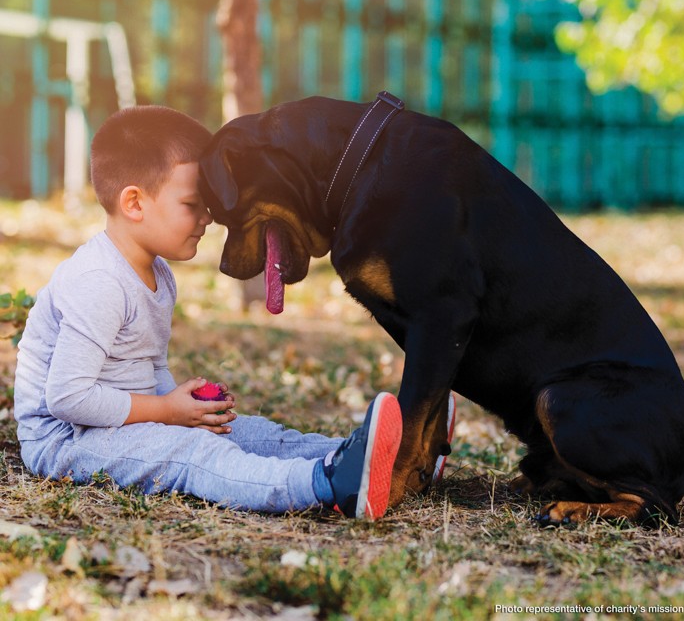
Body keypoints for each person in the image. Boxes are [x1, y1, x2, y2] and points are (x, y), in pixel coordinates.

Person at [13, 105, 403, 519]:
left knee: (246, 432)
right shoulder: (99, 281)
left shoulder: (157, 273)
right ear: (134, 203)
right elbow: (68, 398)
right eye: (192, 204)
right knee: (195, 452)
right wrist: (167, 412)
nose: (209, 218)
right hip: (66, 440)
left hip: (114, 423)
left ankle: (387, 458)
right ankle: (327, 483)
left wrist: (185, 407)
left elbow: (147, 368)